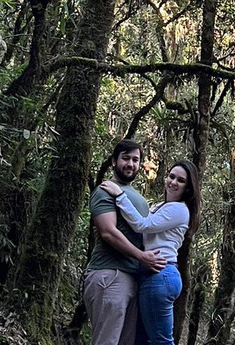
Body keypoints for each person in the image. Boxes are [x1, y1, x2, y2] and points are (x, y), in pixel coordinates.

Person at [99, 158, 201, 345]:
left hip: (160, 274)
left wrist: (119, 195)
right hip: (150, 275)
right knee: (143, 340)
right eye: (171, 176)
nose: (173, 182)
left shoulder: (179, 210)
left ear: (188, 188)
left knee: (160, 341)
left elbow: (142, 224)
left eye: (181, 180)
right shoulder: (160, 207)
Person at [84, 140, 167, 345]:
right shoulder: (105, 189)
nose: (130, 164)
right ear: (114, 161)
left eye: (135, 160)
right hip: (110, 275)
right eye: (126, 158)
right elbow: (108, 232)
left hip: (133, 278)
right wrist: (141, 256)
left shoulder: (137, 198)